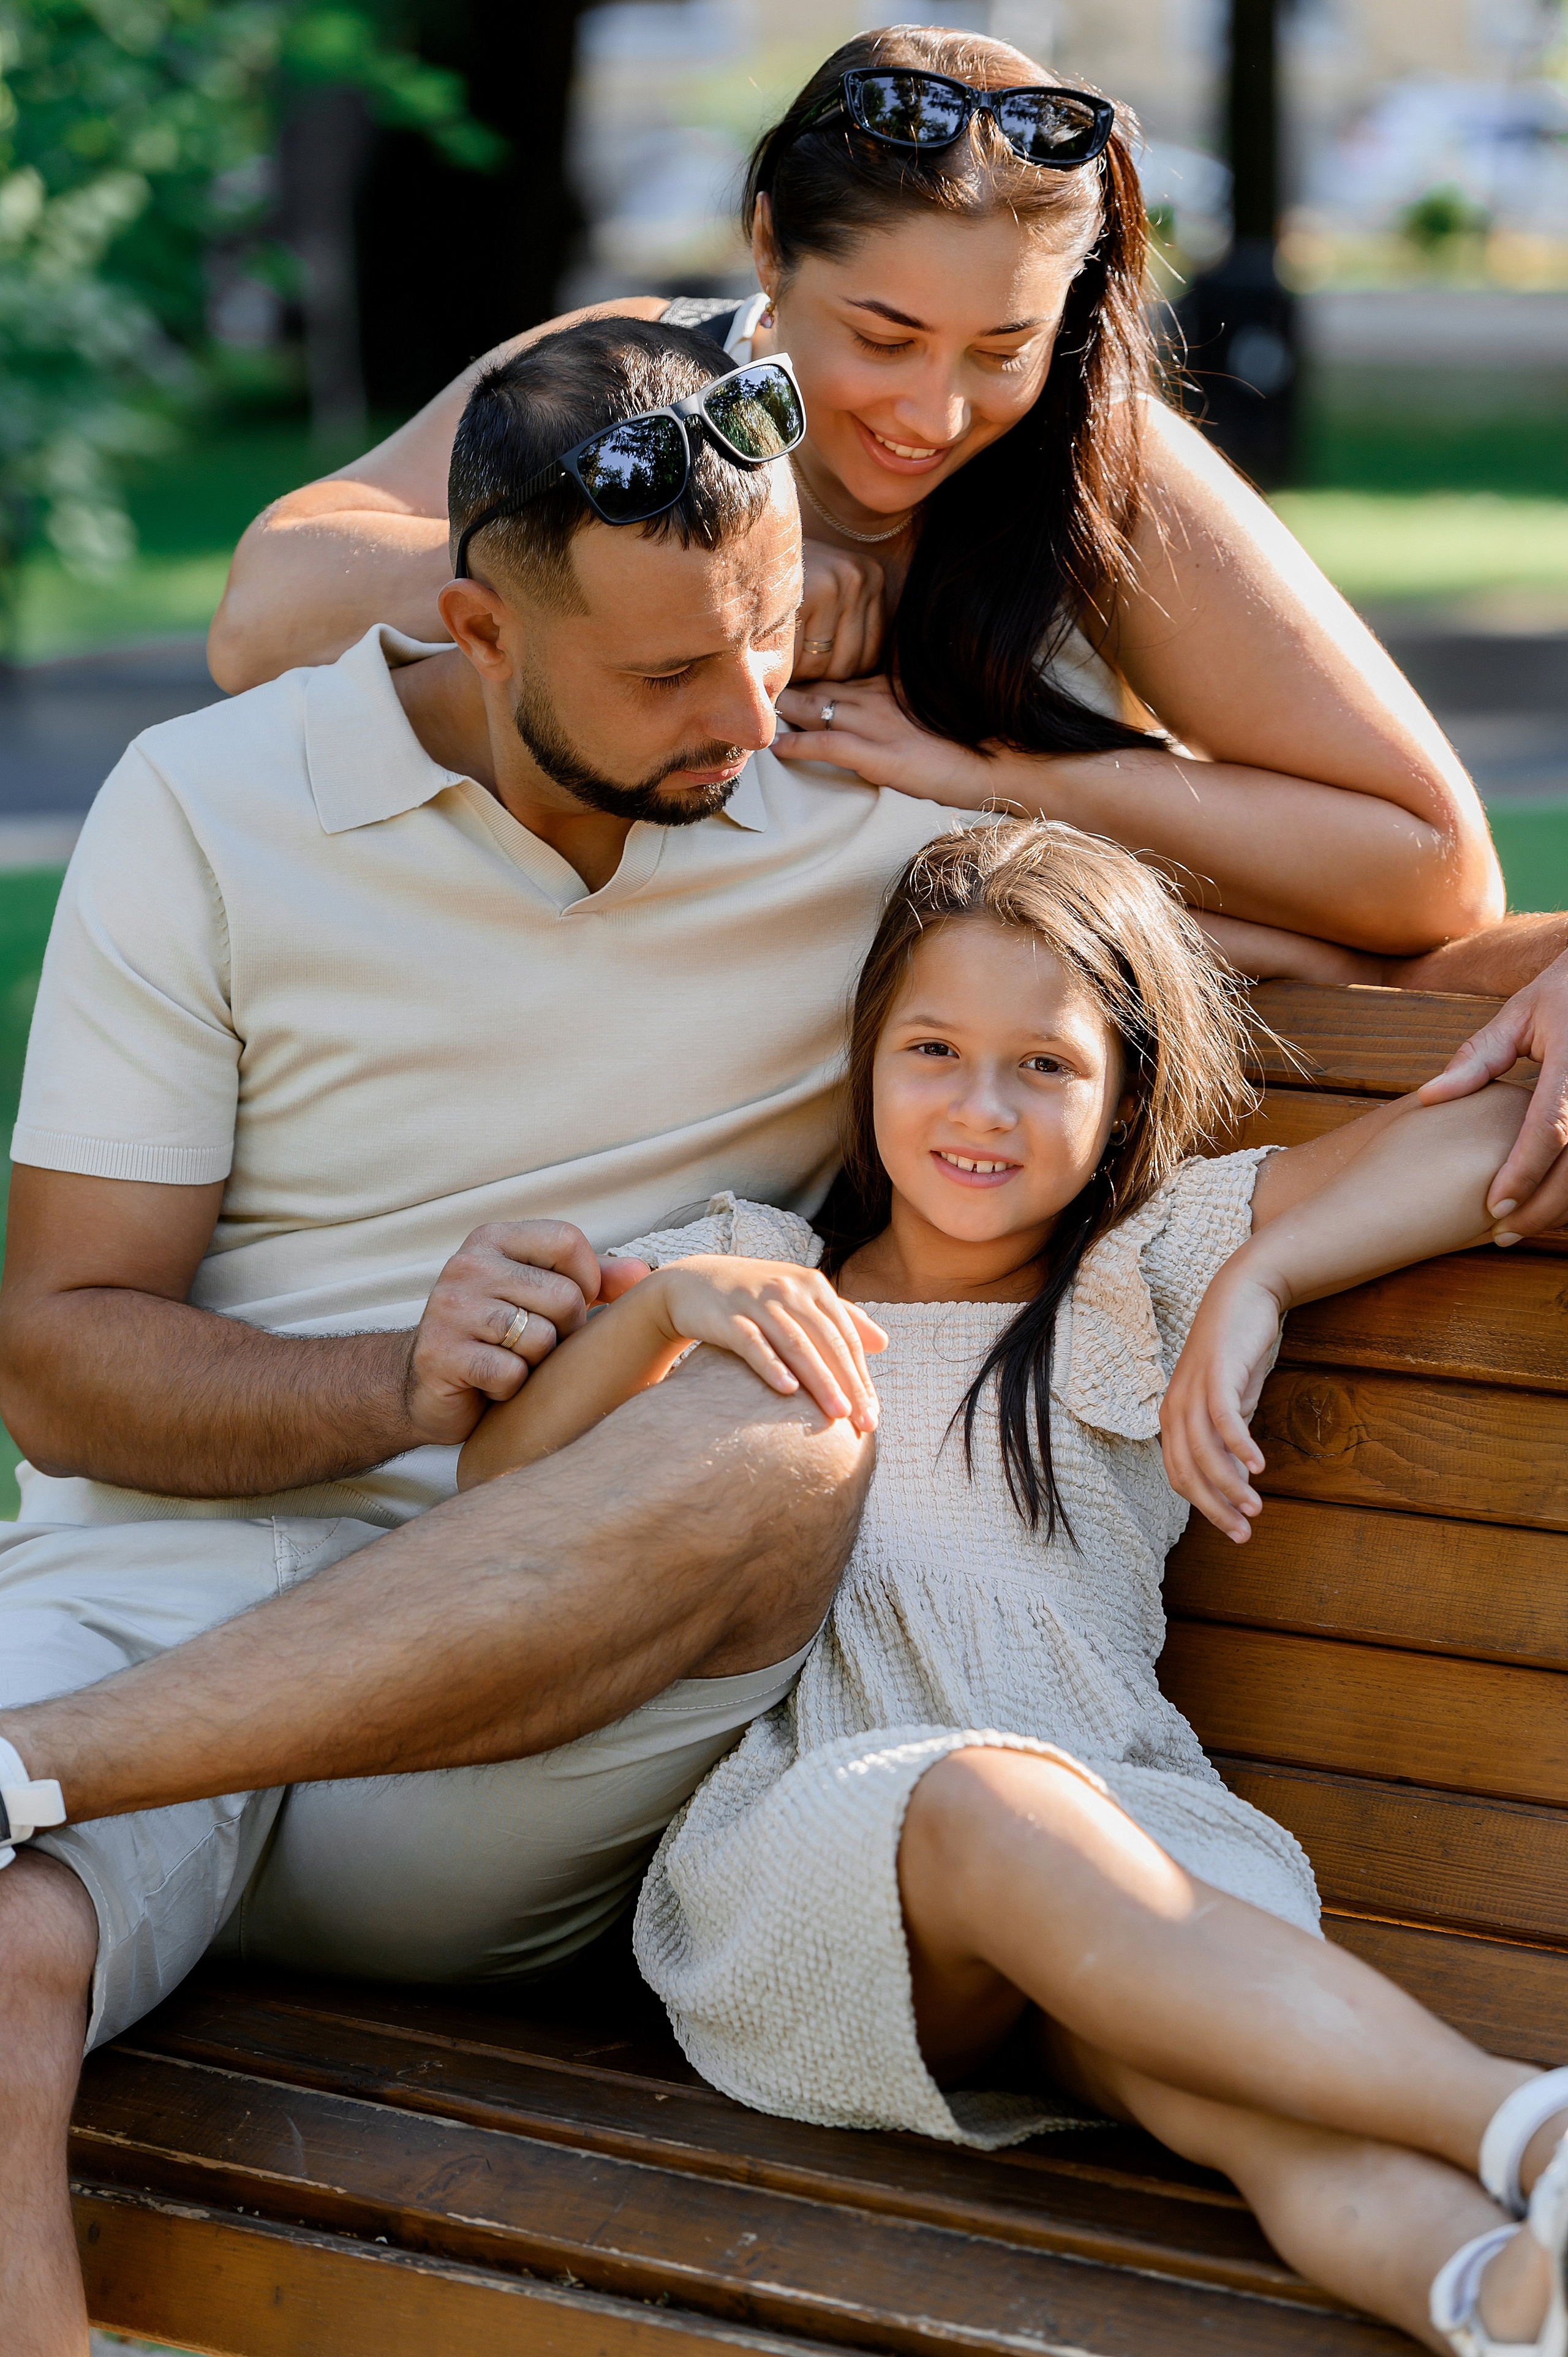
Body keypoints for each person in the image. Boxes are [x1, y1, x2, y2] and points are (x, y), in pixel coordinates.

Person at [0, 314, 987, 2357]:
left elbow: (1391, 870)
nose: (753, 707)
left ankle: (19, 1764)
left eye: (776, 625)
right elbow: (62, 1347)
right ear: (474, 623)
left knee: (787, 1416)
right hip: (160, 1599)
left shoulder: (869, 827)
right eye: (668, 671)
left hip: (509, 1732)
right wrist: (396, 1371)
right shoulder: (206, 805)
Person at [454, 819, 1568, 2356]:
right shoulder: (761, 1276)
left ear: (1118, 1096)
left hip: (1127, 1857)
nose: (979, 1109)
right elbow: (495, 1499)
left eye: (1044, 1065)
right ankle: (1531, 2126)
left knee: (1245, 2110)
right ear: (863, 1060)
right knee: (981, 1797)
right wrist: (673, 1311)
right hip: (820, 1877)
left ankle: (1499, 2299)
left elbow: (1503, 1143)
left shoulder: (1139, 1275)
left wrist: (1265, 1273)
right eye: (932, 1049)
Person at [204, 18, 1568, 1242]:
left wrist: (996, 784)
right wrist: (714, 587)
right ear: (765, 252)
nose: (929, 412)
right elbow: (267, 613)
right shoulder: (640, 383)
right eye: (883, 332)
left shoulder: (1100, 463)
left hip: (966, 1156)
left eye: (999, 351)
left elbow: (1430, 870)